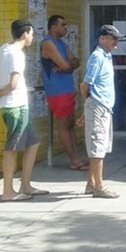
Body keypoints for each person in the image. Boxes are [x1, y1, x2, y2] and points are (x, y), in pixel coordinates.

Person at [0, 19, 49, 201]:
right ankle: (7, 191)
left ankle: (26, 185)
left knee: (33, 142)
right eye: (31, 34)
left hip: (12, 105)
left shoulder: (3, 48)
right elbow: (13, 84)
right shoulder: (17, 55)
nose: (32, 37)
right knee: (11, 148)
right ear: (24, 34)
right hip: (16, 106)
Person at [77, 24, 123, 198]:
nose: (116, 44)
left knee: (100, 147)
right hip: (98, 106)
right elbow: (85, 85)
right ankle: (99, 187)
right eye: (113, 39)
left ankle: (91, 183)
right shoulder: (97, 57)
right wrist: (88, 106)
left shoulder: (107, 56)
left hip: (102, 107)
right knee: (98, 148)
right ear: (102, 38)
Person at [40, 15, 86, 170]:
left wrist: (68, 66)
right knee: (64, 124)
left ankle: (77, 158)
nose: (66, 28)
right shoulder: (48, 43)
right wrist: (67, 66)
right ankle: (74, 160)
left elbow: (75, 61)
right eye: (63, 25)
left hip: (67, 89)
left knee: (70, 124)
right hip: (57, 90)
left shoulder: (62, 43)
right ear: (54, 27)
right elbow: (67, 66)